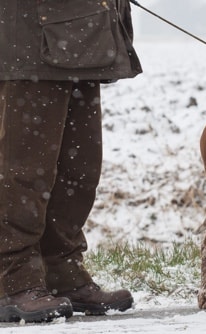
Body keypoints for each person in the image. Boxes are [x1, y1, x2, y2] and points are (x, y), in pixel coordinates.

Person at [0, 0, 142, 322]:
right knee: (25, 173)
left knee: (78, 173)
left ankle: (62, 271)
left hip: (84, 37)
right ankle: (13, 280)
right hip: (30, 40)